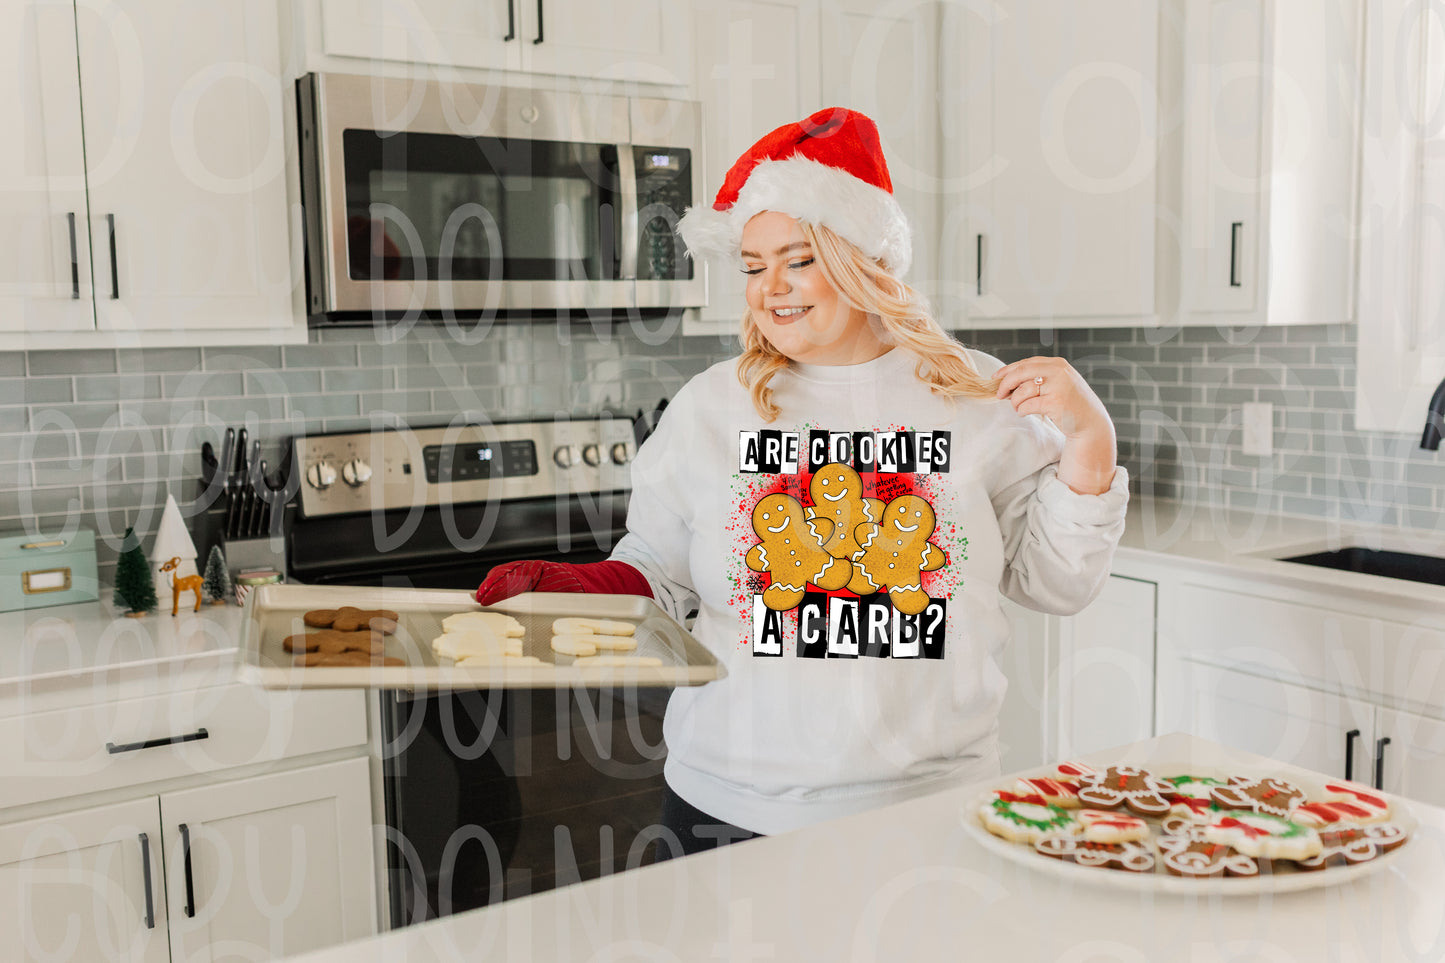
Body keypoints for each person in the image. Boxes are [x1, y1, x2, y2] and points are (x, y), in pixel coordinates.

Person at [477, 108, 1128, 856]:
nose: (769, 289)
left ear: (857, 257)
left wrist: (1089, 435)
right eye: (752, 267)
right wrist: (575, 587)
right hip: (729, 807)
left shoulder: (974, 396)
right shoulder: (710, 405)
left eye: (796, 259)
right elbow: (657, 575)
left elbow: (1057, 583)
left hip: (927, 804)